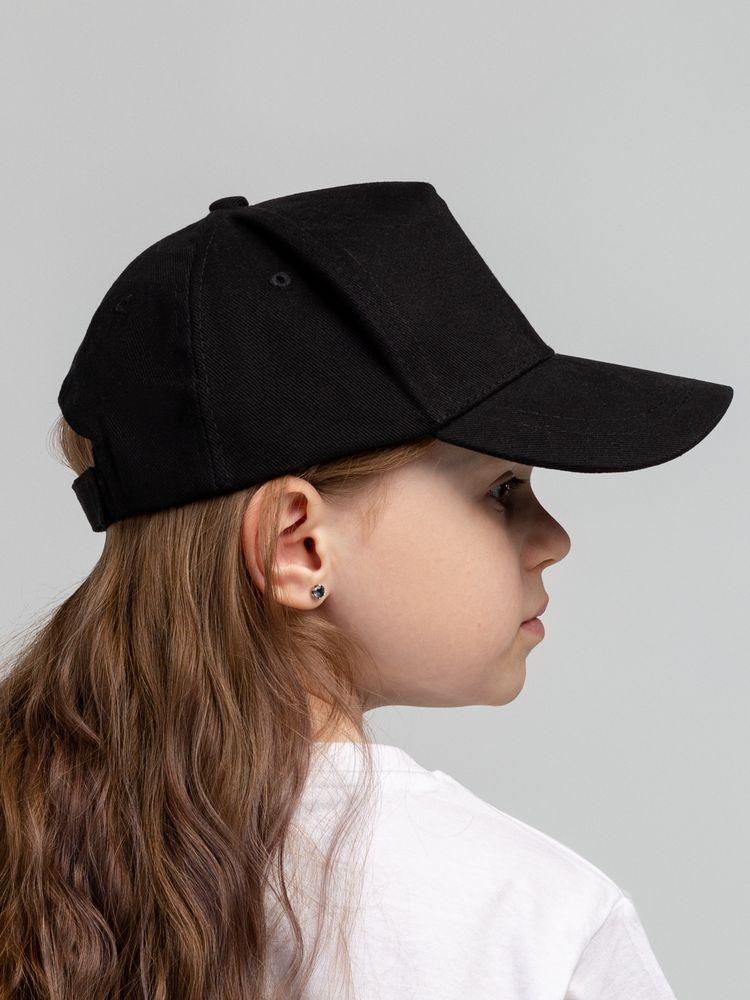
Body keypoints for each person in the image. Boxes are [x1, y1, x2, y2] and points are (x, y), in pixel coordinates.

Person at [0, 181, 733, 999]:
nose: (553, 540)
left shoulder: (33, 847)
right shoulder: (530, 924)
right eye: (503, 490)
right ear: (299, 545)